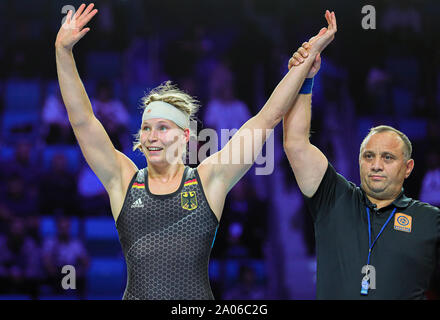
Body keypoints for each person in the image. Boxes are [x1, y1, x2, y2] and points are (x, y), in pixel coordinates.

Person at [55, 3, 336, 300]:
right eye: (147, 128)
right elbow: (83, 121)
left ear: (185, 136)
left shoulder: (209, 179)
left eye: (163, 128)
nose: (151, 136)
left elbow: (266, 117)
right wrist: (63, 52)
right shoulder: (124, 180)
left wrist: (304, 67)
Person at [284, 14, 440, 299]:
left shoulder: (430, 220)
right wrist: (305, 77)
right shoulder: (335, 198)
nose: (376, 165)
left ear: (408, 168)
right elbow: (295, 143)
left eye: (388, 158)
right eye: (368, 156)